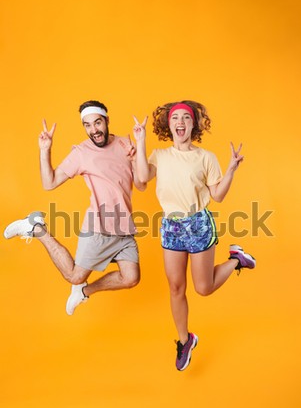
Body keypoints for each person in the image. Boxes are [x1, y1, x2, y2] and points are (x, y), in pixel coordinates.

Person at [133, 100, 256, 371]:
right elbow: (141, 180)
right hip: (171, 226)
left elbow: (218, 195)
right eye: (175, 118)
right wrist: (140, 142)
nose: (180, 122)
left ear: (193, 125)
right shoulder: (159, 155)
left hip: (199, 223)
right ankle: (184, 339)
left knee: (203, 288)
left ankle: (236, 259)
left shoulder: (206, 157)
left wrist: (232, 168)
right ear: (169, 124)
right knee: (176, 287)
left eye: (185, 118)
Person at [4, 100, 146, 315]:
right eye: (87, 125)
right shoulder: (82, 153)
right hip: (98, 227)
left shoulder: (125, 144)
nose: (94, 130)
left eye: (97, 123)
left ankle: (84, 292)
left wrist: (138, 154)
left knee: (131, 278)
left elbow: (141, 185)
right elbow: (49, 183)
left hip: (124, 228)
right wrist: (45, 150)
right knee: (74, 276)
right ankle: (36, 228)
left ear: (107, 120)